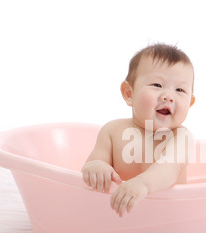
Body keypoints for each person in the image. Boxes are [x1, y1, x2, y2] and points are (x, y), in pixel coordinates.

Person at [81, 44, 196, 217]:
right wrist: (96, 167)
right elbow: (91, 165)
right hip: (117, 217)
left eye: (180, 90)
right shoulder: (112, 131)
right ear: (129, 93)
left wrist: (142, 184)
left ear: (190, 102)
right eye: (157, 85)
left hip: (167, 219)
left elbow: (168, 169)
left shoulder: (181, 137)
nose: (168, 96)